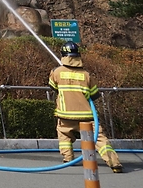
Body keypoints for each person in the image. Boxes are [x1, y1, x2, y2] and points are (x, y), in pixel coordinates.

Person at [49, 41, 123, 173]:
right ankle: (114, 163)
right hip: (87, 116)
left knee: (64, 135)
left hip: (65, 115)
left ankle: (68, 158)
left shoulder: (56, 72)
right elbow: (94, 94)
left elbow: (53, 87)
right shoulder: (86, 75)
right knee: (100, 139)